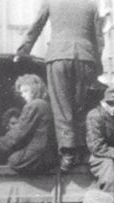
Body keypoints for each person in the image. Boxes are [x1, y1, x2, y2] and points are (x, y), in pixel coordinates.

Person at [16, 0, 104, 172]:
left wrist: (22, 50)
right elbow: (99, 38)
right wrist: (97, 63)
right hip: (86, 58)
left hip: (58, 56)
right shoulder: (92, 4)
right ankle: (79, 152)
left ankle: (68, 152)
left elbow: (37, 25)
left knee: (61, 106)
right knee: (79, 107)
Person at [0, 74, 57, 174]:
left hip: (39, 155)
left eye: (25, 91)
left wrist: (1, 142)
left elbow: (20, 131)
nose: (23, 95)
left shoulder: (34, 105)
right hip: (50, 155)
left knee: (13, 160)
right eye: (21, 93)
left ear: (35, 90)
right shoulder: (46, 105)